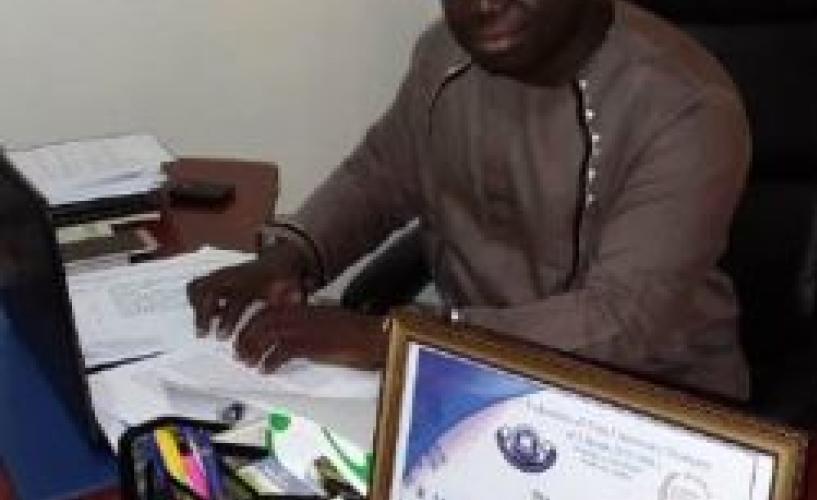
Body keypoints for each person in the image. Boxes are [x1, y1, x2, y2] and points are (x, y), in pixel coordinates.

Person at [187, 0, 751, 401]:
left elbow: (623, 322)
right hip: (468, 377)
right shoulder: (445, 55)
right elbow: (379, 176)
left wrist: (393, 340)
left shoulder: (684, 107)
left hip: (650, 403)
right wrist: (289, 257)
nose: (482, 6)